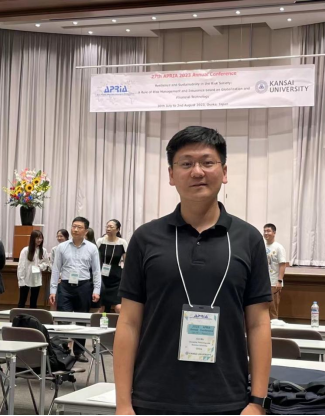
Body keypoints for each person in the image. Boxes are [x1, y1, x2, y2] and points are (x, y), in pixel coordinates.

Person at [115, 126, 272, 416]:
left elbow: (259, 324)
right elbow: (129, 323)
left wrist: (257, 402)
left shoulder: (248, 239)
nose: (197, 171)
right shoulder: (146, 238)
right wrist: (123, 404)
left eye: (207, 162)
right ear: (171, 175)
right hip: (153, 398)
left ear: (224, 172)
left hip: (229, 400)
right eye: (186, 163)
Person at [49, 217, 101, 362]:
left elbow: (96, 271)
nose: (75, 229)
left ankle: (79, 351)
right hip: (65, 286)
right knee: (63, 319)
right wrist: (53, 290)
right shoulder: (62, 247)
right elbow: (56, 269)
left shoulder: (92, 248)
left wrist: (96, 290)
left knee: (81, 320)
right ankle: (63, 349)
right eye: (73, 226)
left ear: (86, 231)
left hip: (84, 286)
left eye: (79, 227)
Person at [96, 220, 128, 314]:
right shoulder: (100, 241)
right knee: (100, 307)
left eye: (111, 227)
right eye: (107, 226)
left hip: (116, 276)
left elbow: (126, 262)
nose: (108, 229)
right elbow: (95, 258)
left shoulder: (122, 242)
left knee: (118, 307)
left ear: (117, 229)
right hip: (101, 275)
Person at [17, 231, 50, 308]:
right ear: (33, 238)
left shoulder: (43, 250)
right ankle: (19, 315)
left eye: (41, 238)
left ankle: (32, 315)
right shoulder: (25, 250)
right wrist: (21, 279)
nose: (39, 240)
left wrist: (41, 266)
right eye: (37, 238)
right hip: (26, 279)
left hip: (36, 278)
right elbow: (21, 266)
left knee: (34, 301)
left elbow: (46, 263)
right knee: (22, 300)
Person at [263, 224, 288, 321]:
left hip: (273, 282)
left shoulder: (278, 247)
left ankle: (273, 328)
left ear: (274, 233)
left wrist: (279, 280)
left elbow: (282, 264)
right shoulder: (262, 246)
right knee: (263, 309)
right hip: (263, 282)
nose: (266, 233)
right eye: (265, 231)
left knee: (272, 309)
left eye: (268, 231)